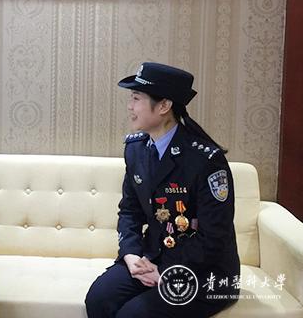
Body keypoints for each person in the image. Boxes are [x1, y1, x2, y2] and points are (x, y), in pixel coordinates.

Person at [85, 62, 240, 317]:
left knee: (134, 314)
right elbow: (130, 211)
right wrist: (131, 255)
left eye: (136, 98)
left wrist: (167, 269)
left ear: (164, 106)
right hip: (152, 256)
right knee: (99, 299)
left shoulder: (205, 160)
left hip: (205, 271)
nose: (130, 106)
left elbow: (214, 236)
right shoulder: (136, 149)